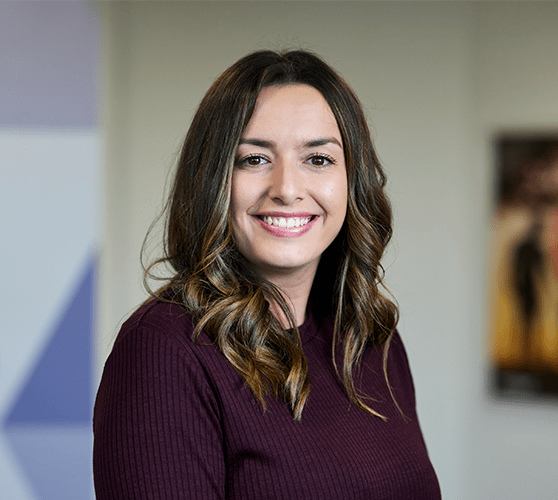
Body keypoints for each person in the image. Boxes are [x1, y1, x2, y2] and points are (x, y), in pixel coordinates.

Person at [93, 49, 441, 499]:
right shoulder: (164, 351)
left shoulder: (370, 338)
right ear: (212, 177)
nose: (287, 189)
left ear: (351, 181)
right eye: (254, 159)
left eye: (318, 160)